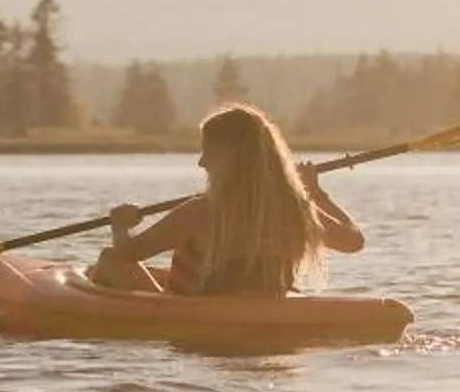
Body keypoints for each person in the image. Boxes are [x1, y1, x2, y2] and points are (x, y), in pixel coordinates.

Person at [87, 100, 365, 298]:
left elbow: (127, 253)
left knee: (110, 260)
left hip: (200, 317)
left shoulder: (201, 212)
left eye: (207, 152)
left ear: (229, 159)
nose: (201, 163)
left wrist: (120, 225)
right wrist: (315, 194)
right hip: (265, 312)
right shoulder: (296, 209)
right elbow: (354, 241)